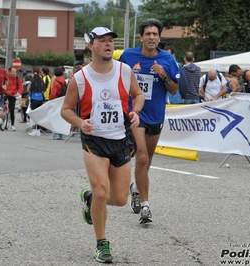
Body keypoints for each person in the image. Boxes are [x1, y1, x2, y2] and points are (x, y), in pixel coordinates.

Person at [61, 26, 144, 263]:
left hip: (120, 139)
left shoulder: (124, 71)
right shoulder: (81, 77)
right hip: (94, 141)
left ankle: (90, 200)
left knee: (119, 199)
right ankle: (101, 244)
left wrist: (135, 112)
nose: (109, 44)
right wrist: (80, 122)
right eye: (102, 40)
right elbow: (65, 110)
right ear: (91, 46)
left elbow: (138, 95)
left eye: (111, 41)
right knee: (101, 191)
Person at [119, 18, 179, 224]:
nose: (151, 37)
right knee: (142, 157)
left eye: (155, 34)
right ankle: (145, 205)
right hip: (135, 113)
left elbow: (174, 89)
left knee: (148, 158)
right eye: (148, 34)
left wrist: (164, 76)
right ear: (141, 37)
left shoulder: (168, 60)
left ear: (159, 38)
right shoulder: (128, 56)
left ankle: (136, 187)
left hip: (156, 114)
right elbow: (117, 79)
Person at [48, 67, 66, 140]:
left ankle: (55, 134)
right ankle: (61, 134)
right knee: (61, 118)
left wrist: (51, 100)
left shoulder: (56, 82)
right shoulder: (64, 81)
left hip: (57, 101)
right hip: (63, 100)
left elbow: (53, 94)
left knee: (55, 117)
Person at [28, 66, 45, 137]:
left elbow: (29, 88)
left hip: (34, 98)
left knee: (34, 115)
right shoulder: (41, 79)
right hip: (40, 98)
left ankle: (35, 130)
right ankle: (38, 130)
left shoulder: (32, 80)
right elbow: (44, 88)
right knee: (39, 114)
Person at [5, 67, 23, 131]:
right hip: (5, 93)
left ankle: (12, 125)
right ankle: (2, 117)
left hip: (13, 95)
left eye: (15, 72)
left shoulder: (17, 78)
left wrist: (18, 93)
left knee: (12, 110)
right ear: (9, 72)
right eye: (13, 72)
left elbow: (21, 86)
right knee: (2, 106)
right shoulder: (5, 77)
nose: (15, 73)